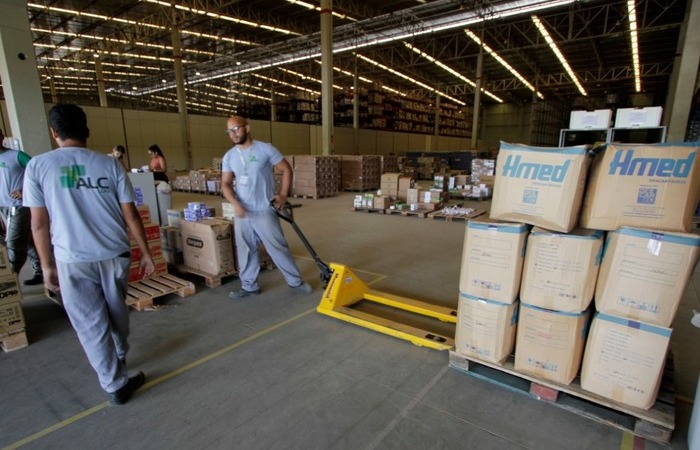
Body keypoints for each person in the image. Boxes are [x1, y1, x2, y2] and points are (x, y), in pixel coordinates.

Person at [24, 104, 155, 406]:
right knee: (116, 308)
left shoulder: (38, 167)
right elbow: (131, 215)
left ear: (53, 132)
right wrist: (145, 252)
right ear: (87, 130)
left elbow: (38, 223)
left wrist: (46, 266)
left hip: (73, 259)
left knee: (89, 322)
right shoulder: (109, 165)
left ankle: (115, 382)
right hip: (114, 253)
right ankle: (120, 350)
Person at [221, 115, 312, 299]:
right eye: (229, 131)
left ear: (247, 128)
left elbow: (286, 169)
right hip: (243, 213)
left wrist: (284, 194)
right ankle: (249, 286)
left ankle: (296, 282)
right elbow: (225, 184)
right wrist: (235, 204)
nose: (233, 133)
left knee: (278, 247)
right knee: (245, 250)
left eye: (236, 128)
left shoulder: (265, 149)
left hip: (264, 209)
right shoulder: (229, 156)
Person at [0, 128, 43, 285]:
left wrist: (25, 190)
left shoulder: (17, 156)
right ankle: (41, 271)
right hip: (2, 207)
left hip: (18, 206)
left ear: (2, 137)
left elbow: (39, 172)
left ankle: (10, 281)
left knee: (13, 242)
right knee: (28, 240)